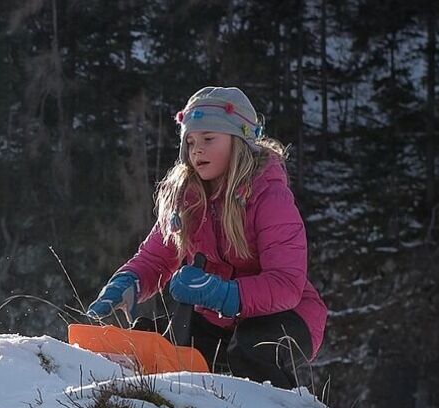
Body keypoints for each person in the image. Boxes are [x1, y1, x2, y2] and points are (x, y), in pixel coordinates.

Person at [87, 86, 327, 389]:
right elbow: (157, 257)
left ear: (239, 142)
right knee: (151, 342)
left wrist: (220, 292)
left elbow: (287, 285)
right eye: (190, 141)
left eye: (208, 139)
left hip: (288, 316)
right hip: (218, 319)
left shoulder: (270, 197)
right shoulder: (187, 198)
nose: (196, 149)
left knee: (249, 348)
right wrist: (129, 282)